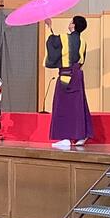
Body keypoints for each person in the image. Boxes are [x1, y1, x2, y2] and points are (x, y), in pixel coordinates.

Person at [44, 15, 94, 149]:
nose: (69, 23)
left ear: (74, 25)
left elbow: (54, 44)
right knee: (79, 106)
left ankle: (65, 137)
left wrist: (49, 26)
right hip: (78, 76)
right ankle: (82, 135)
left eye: (71, 21)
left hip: (66, 77)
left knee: (62, 106)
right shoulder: (83, 42)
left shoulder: (65, 38)